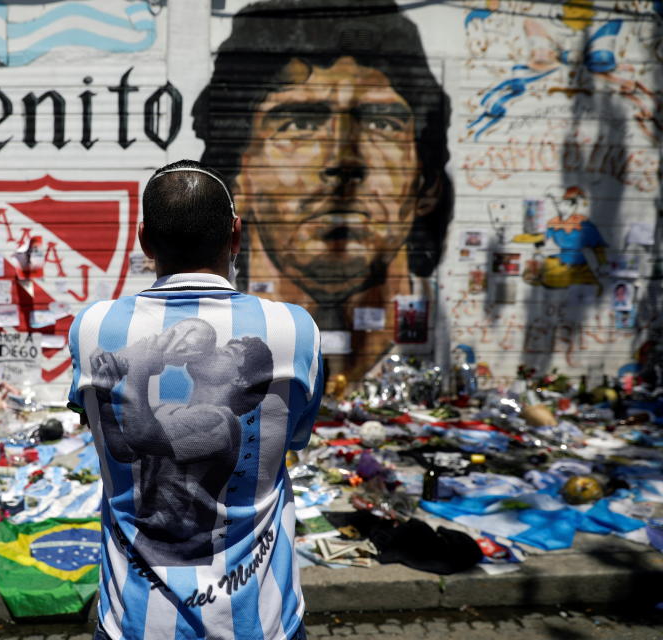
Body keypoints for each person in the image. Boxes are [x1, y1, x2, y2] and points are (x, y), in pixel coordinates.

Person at [68, 159, 323, 640]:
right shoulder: (297, 329)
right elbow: (124, 447)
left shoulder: (96, 328)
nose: (218, 346)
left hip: (133, 622)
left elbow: (136, 433)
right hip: (261, 623)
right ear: (236, 236)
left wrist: (140, 367)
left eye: (230, 351)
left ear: (144, 241)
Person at [192, 0, 453, 384]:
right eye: (299, 123)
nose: (343, 160)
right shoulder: (203, 355)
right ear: (237, 177)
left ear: (426, 182)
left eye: (381, 123)